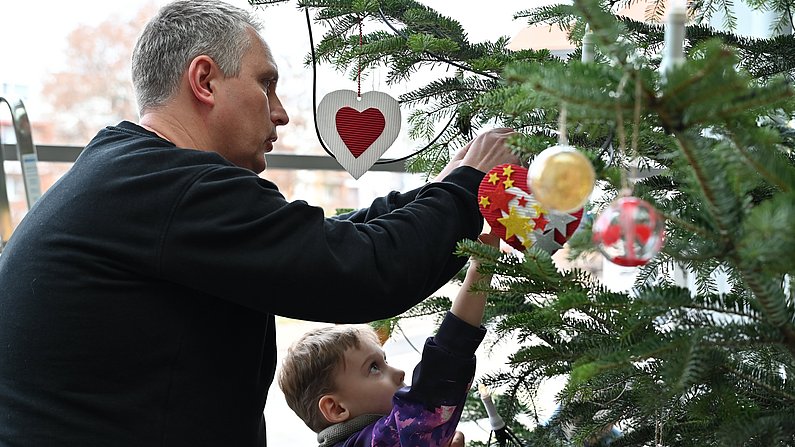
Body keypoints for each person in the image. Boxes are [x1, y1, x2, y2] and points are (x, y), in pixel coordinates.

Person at [0, 1, 519, 446]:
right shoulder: (172, 188)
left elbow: (327, 241)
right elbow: (358, 270)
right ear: (204, 80)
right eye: (266, 84)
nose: (281, 113)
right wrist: (467, 186)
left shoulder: (136, 175)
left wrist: (443, 190)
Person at [279, 233, 501, 447]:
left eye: (384, 361)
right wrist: (480, 270)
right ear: (336, 408)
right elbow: (438, 381)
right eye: (373, 368)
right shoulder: (382, 441)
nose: (399, 373)